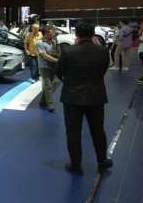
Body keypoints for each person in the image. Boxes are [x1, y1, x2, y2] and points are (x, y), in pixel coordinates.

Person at [55, 22, 113, 175]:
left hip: (72, 98)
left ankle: (76, 165)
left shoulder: (68, 51)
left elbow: (59, 72)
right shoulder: (103, 51)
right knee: (98, 131)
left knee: (73, 132)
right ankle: (102, 161)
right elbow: (103, 70)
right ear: (93, 34)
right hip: (96, 96)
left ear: (77, 34)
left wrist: (70, 82)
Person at [37, 26, 59, 112]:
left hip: (52, 66)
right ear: (45, 34)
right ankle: (50, 105)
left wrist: (57, 44)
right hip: (44, 67)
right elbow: (44, 55)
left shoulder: (54, 42)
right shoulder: (40, 43)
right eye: (50, 33)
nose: (52, 34)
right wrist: (56, 60)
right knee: (48, 86)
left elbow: (57, 53)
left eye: (52, 33)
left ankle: (42, 101)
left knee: (48, 85)